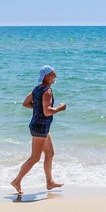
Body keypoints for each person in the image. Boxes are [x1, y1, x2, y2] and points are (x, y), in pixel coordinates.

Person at [11, 65, 67, 194]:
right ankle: (16, 181)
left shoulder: (37, 89)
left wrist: (38, 109)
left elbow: (26, 103)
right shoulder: (47, 91)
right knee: (35, 158)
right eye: (53, 74)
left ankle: (49, 182)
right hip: (40, 128)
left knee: (50, 154)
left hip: (41, 127)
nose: (55, 76)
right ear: (47, 76)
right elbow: (47, 112)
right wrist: (60, 108)